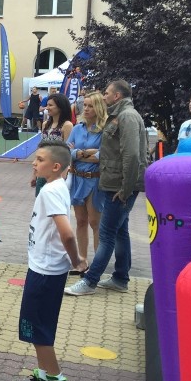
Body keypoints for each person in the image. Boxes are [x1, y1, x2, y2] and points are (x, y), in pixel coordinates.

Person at [14, 139, 87, 381]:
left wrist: (77, 260)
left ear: (56, 166)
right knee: (34, 327)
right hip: (42, 267)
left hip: (46, 271)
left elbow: (66, 232)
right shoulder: (53, 185)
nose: (34, 163)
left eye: (40, 159)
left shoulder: (52, 191)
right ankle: (44, 375)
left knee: (39, 329)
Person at [66, 80, 147, 297]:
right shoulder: (120, 116)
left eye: (107, 93)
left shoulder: (126, 117)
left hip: (119, 185)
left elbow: (132, 155)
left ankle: (90, 281)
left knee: (106, 233)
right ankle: (120, 278)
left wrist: (126, 188)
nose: (104, 96)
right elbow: (71, 150)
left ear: (117, 96)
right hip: (113, 182)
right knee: (120, 232)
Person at [67, 91, 107, 264]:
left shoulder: (104, 130)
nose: (87, 108)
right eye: (86, 105)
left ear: (99, 107)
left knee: (95, 222)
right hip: (77, 178)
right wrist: (83, 153)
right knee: (81, 221)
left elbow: (105, 154)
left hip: (95, 179)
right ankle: (81, 260)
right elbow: (68, 151)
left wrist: (81, 154)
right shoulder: (77, 128)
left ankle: (98, 264)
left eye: (91, 105)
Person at [32, 93, 74, 196]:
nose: (47, 108)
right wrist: (34, 174)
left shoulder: (67, 125)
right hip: (43, 170)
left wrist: (63, 177)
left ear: (60, 107)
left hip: (57, 173)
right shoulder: (45, 124)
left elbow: (66, 153)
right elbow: (41, 149)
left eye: (51, 105)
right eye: (47, 105)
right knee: (40, 201)